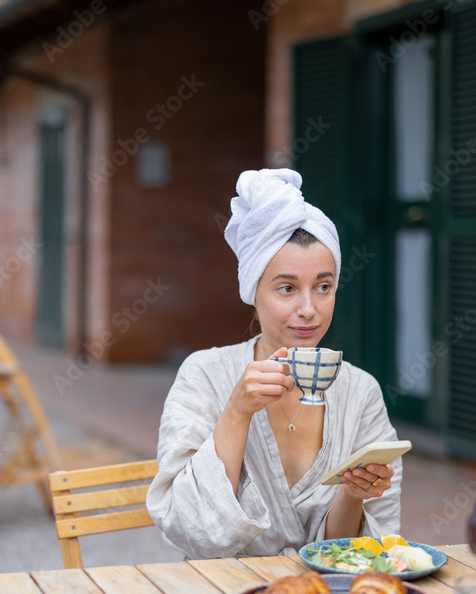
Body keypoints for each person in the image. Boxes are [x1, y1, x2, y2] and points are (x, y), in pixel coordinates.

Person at [146, 168, 402, 559]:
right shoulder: (205, 375)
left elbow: (363, 553)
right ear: (253, 291)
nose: (308, 310)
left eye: (323, 286)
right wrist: (236, 412)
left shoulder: (359, 391)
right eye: (286, 288)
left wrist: (352, 495)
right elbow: (188, 528)